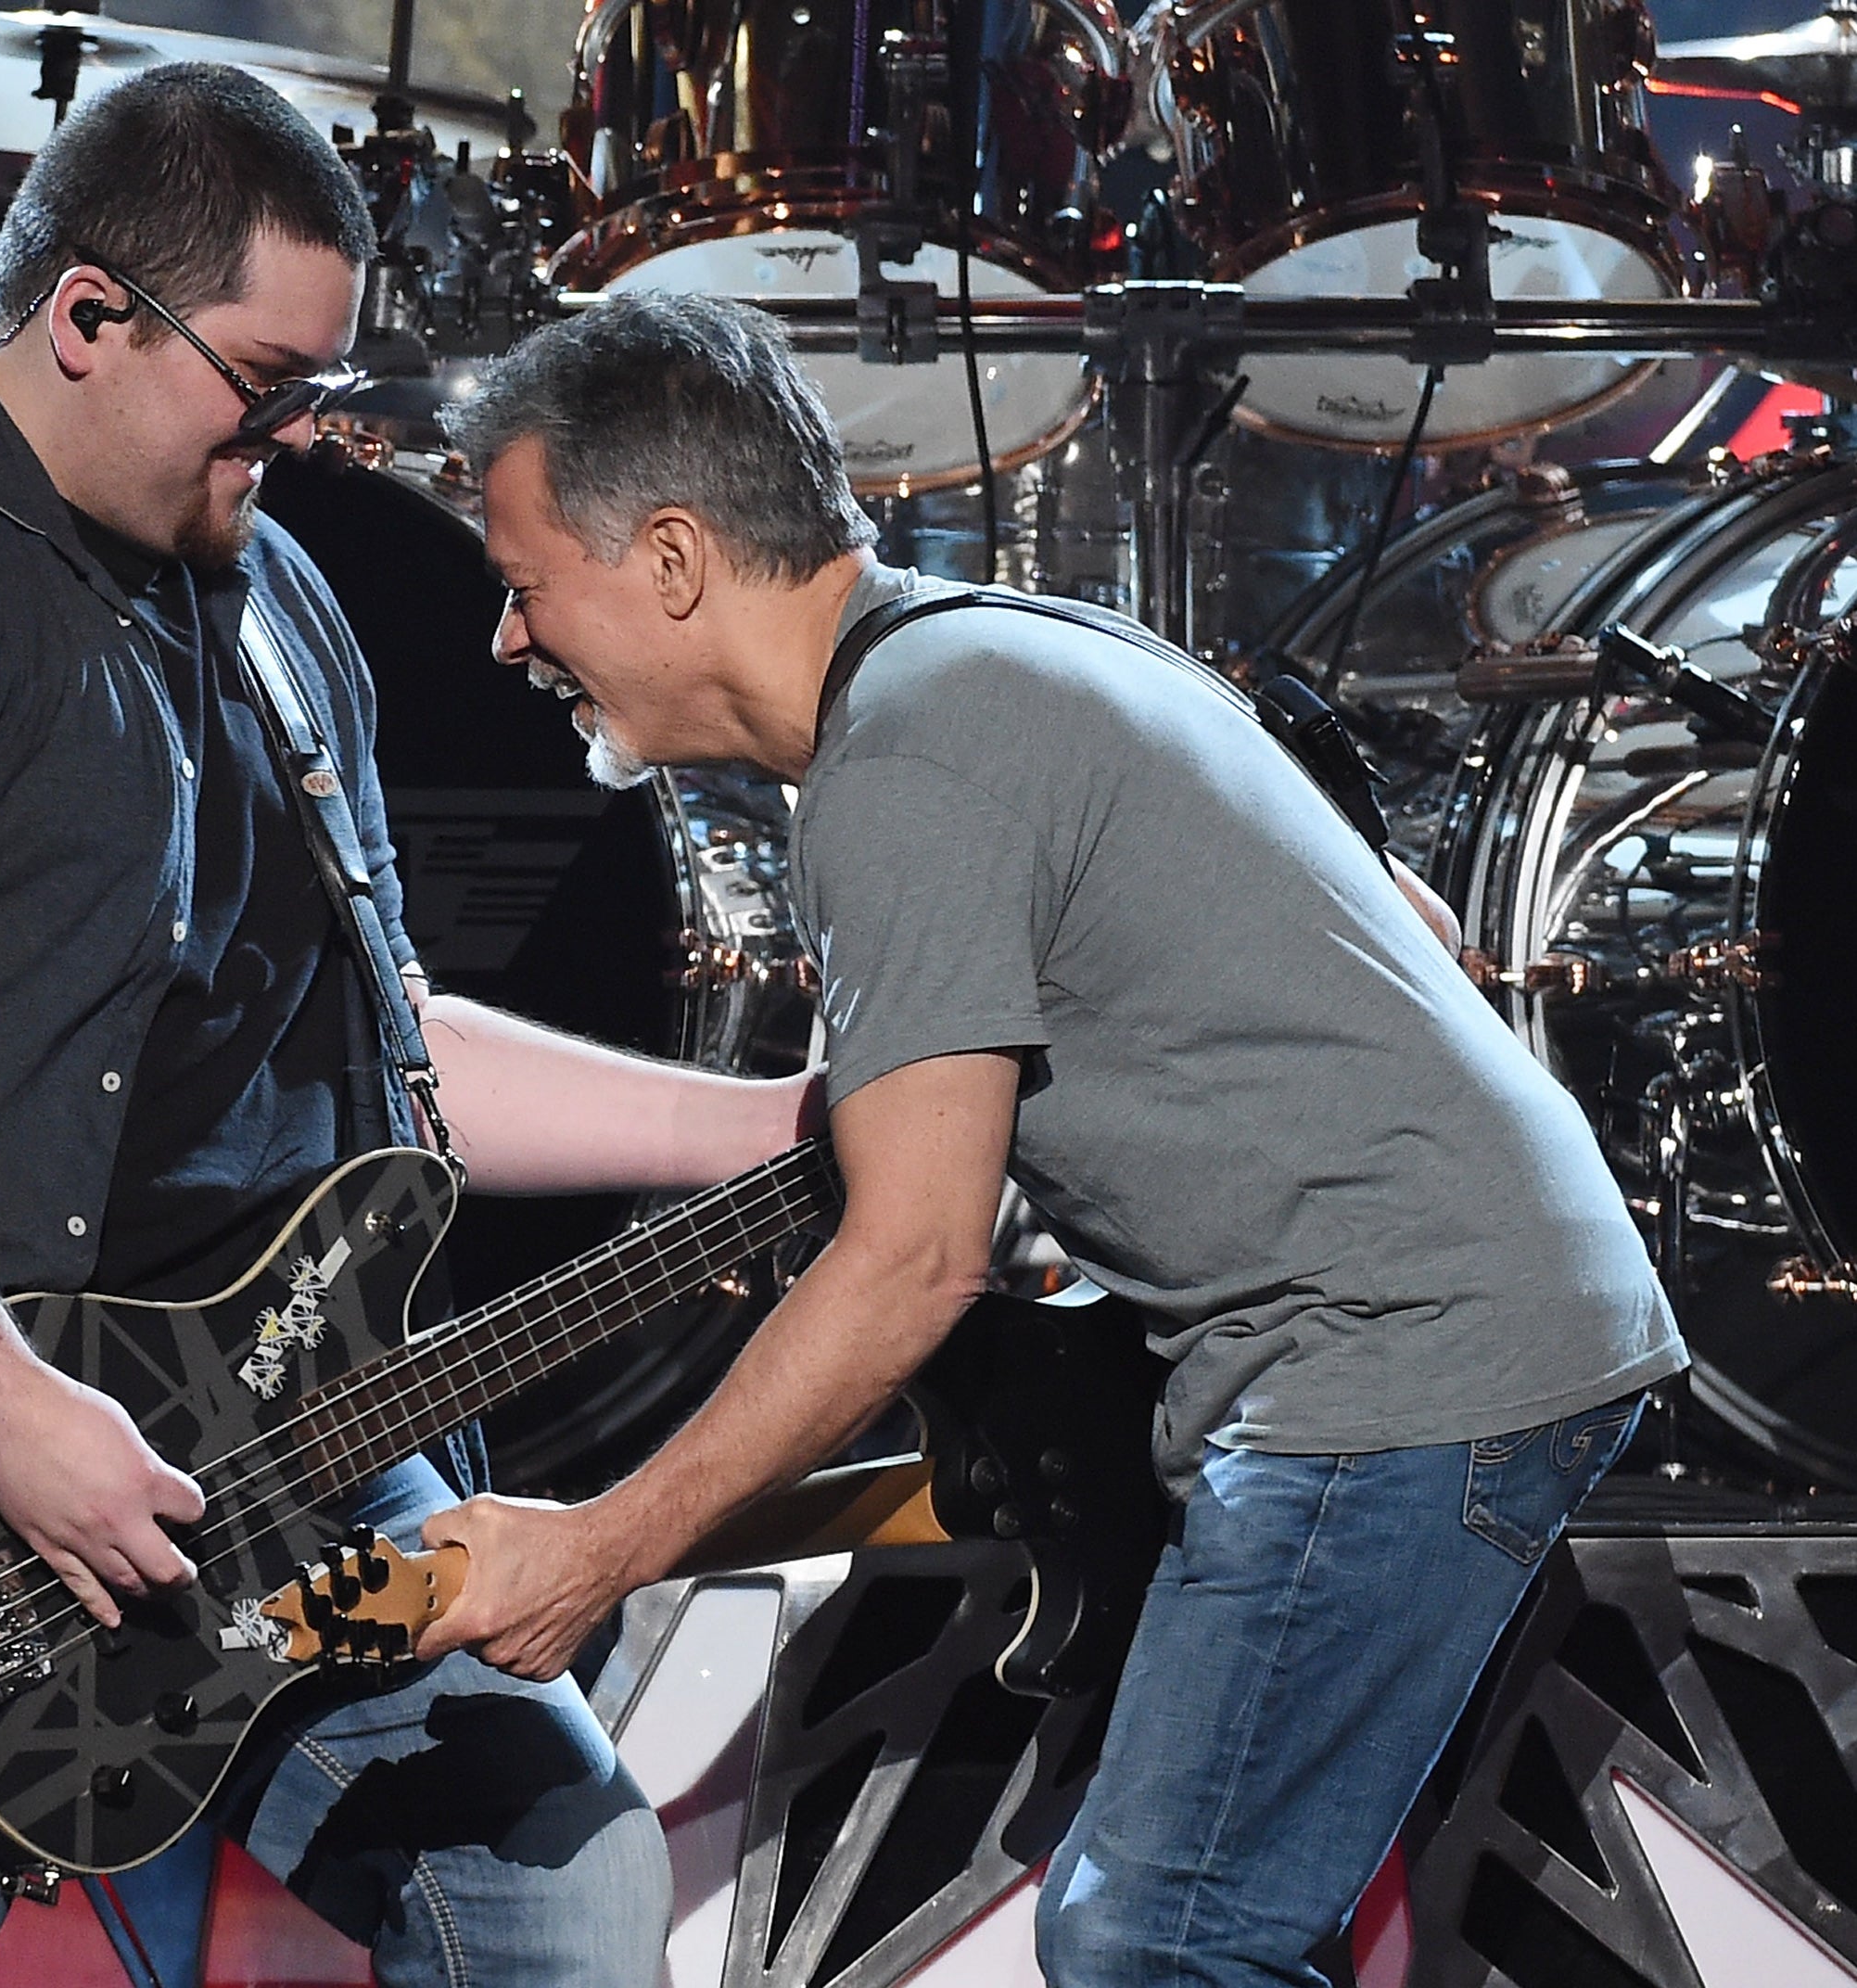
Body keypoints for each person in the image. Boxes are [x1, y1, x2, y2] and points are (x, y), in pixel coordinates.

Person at [0, 71, 816, 1988]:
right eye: (267, 379)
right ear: (89, 316)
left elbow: (381, 1059)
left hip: (252, 1428)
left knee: (559, 1880)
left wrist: (762, 1126)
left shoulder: (274, 594)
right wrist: (10, 1405)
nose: (305, 430)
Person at [420, 291, 1688, 1988]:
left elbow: (919, 1256)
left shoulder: (908, 759)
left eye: (523, 585)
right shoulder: (1006, 647)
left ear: (667, 558)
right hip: (1462, 1331)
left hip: (1401, 1361)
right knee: (1163, 1932)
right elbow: (1406, 917)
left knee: (1158, 1940)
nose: (510, 643)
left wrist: (601, 1549)